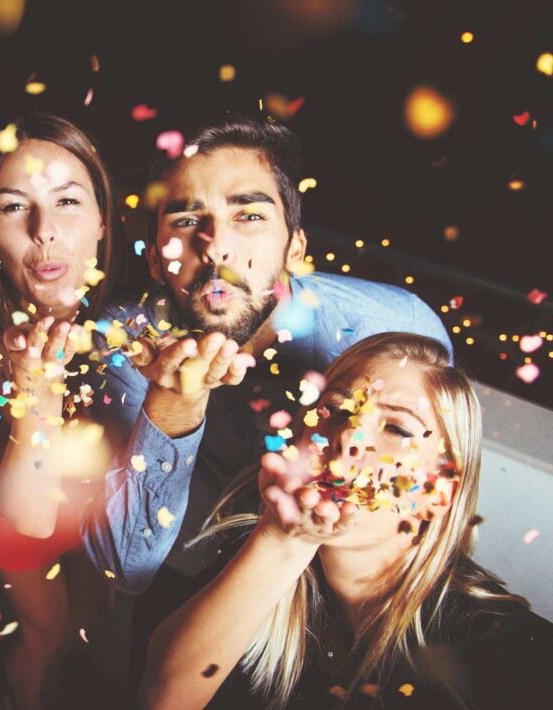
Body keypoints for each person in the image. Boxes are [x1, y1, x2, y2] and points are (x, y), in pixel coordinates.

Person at [80, 114, 454, 678]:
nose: (217, 248)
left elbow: (435, 480)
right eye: (187, 219)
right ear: (156, 258)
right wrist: (172, 410)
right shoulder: (125, 345)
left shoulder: (392, 327)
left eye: (249, 215)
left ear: (296, 246)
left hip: (341, 583)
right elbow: (127, 568)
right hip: (193, 578)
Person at [140, 332, 553, 709]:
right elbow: (162, 699)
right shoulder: (260, 564)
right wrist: (284, 539)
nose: (349, 437)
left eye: (397, 427)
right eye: (336, 409)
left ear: (439, 494)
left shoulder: (501, 649)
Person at [0, 113, 118, 708]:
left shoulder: (135, 326)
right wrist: (35, 390)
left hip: (98, 510)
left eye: (68, 201)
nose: (45, 231)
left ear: (102, 218)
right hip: (17, 509)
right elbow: (28, 518)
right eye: (14, 207)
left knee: (89, 622)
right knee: (46, 635)